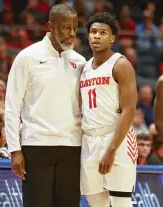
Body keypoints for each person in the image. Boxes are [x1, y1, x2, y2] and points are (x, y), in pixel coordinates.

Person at [5, 4, 86, 207]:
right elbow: (12, 105)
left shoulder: (81, 61)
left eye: (75, 27)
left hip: (72, 147)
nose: (71, 33)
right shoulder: (27, 57)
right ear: (50, 26)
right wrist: (14, 150)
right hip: (36, 145)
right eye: (66, 27)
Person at [80, 12, 138, 207]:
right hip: (90, 139)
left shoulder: (121, 64)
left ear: (112, 38)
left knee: (121, 203)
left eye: (103, 32)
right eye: (93, 32)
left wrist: (111, 149)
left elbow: (129, 110)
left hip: (116, 138)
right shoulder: (84, 67)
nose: (96, 36)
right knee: (96, 203)